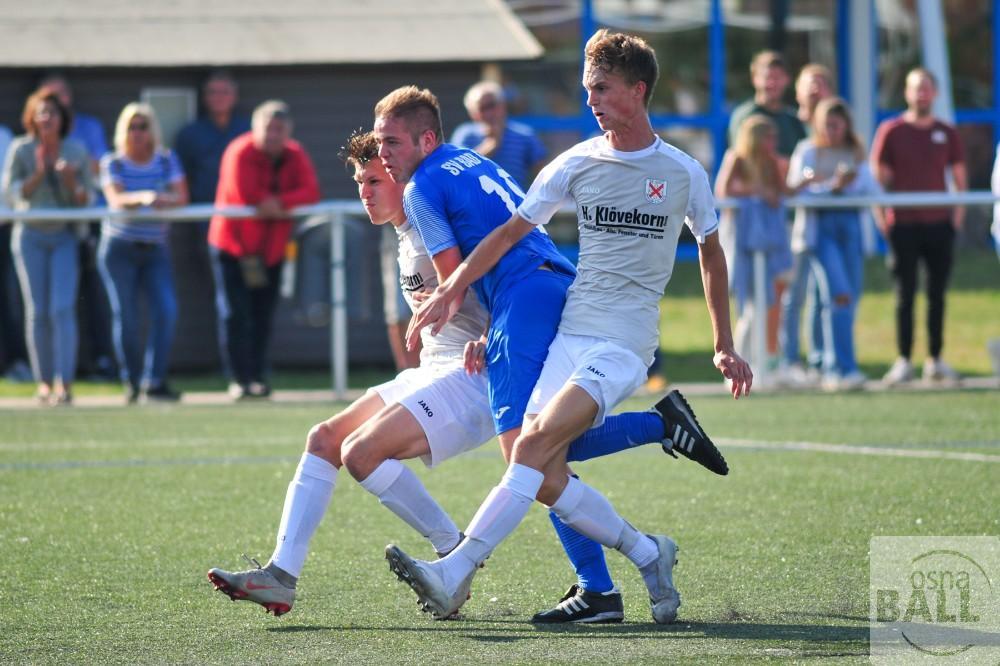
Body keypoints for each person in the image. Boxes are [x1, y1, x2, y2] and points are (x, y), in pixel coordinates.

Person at [206, 130, 683, 622]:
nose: (365, 191)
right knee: (325, 439)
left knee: (388, 454)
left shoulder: (432, 211)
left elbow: (495, 281)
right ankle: (282, 574)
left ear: (400, 176)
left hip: (472, 375)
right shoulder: (403, 229)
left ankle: (453, 552)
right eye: (358, 181)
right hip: (432, 369)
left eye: (374, 179)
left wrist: (492, 333)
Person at [385, 30, 750, 622]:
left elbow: (711, 250)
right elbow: (509, 233)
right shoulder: (577, 161)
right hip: (571, 333)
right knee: (544, 463)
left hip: (625, 343)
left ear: (637, 90)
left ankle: (455, 572)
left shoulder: (681, 171)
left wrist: (724, 344)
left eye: (602, 89)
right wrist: (454, 288)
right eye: (587, 89)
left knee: (529, 449)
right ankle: (647, 551)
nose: (591, 100)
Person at [209, 101, 320, 400]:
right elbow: (245, 194)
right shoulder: (240, 151)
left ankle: (257, 376)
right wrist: (281, 202)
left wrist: (279, 203)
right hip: (234, 247)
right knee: (234, 313)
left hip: (271, 250)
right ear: (255, 128)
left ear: (288, 132)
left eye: (279, 129)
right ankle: (238, 378)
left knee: (262, 315)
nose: (273, 135)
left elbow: (311, 191)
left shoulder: (295, 154)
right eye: (268, 128)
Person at [871, 68, 966, 385]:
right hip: (904, 225)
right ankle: (904, 360)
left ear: (935, 93)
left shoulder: (946, 132)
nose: (921, 94)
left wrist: (956, 219)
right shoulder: (892, 130)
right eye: (916, 88)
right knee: (905, 294)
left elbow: (959, 179)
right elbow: (878, 181)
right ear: (907, 93)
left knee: (937, 294)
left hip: (938, 224)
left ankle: (935, 359)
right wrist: (881, 218)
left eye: (926, 88)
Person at [1, 88, 93, 405]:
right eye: (41, 112)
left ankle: (64, 383)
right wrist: (39, 174)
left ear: (62, 118)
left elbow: (88, 199)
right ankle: (43, 383)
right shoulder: (21, 149)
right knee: (38, 312)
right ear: (32, 117)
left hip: (64, 235)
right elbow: (11, 194)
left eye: (52, 113)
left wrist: (71, 182)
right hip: (30, 236)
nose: (47, 118)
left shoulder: (76, 150)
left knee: (62, 309)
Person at [98, 103, 189, 403]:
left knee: (166, 311)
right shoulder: (113, 162)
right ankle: (132, 381)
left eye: (143, 126)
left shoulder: (166, 160)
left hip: (155, 249)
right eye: (131, 127)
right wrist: (145, 198)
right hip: (119, 248)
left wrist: (163, 200)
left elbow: (181, 197)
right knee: (126, 316)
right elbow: (116, 199)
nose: (137, 133)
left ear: (152, 131)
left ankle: (154, 380)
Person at [787, 98, 880, 391]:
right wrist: (831, 186)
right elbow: (796, 190)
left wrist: (846, 184)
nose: (832, 130)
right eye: (827, 124)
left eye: (837, 124)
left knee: (846, 297)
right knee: (838, 296)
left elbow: (871, 188)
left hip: (850, 229)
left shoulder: (855, 152)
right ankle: (840, 368)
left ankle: (832, 363)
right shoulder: (807, 151)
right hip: (821, 231)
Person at [40, 73, 117, 383]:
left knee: (94, 294)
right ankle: (51, 375)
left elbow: (95, 173)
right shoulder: (33, 140)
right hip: (48, 228)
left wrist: (76, 168)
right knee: (52, 305)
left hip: (87, 222)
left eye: (62, 96)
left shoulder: (87, 129)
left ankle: (100, 360)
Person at [715, 115, 794, 368]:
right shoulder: (736, 158)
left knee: (763, 302)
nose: (773, 143)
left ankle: (761, 361)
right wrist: (756, 191)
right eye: (768, 137)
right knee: (747, 304)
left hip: (765, 242)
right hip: (741, 240)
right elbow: (723, 190)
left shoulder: (771, 162)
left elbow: (782, 192)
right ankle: (739, 361)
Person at [777, 64, 835, 386]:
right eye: (810, 84)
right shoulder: (789, 125)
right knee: (793, 292)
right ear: (798, 90)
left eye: (822, 84)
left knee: (821, 294)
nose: (815, 90)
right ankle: (789, 360)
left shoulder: (836, 126)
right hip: (791, 225)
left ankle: (819, 359)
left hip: (826, 226)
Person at [451, 80, 547, 189]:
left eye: (491, 105)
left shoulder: (525, 135)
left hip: (515, 204)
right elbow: (456, 172)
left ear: (503, 105)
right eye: (482, 108)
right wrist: (490, 145)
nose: (489, 113)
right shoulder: (465, 135)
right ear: (473, 113)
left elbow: (542, 174)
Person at [175, 70, 251, 209]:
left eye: (224, 92)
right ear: (204, 97)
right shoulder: (189, 133)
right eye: (213, 92)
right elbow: (181, 177)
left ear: (234, 96)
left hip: (242, 211)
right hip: (203, 212)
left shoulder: (248, 131)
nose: (219, 97)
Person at [0, 122, 33, 383]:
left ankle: (16, 362)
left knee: (8, 299)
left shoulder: (4, 136)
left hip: (4, 228)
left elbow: (8, 190)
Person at [728, 51, 806, 159]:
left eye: (777, 77)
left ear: (787, 80)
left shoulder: (794, 120)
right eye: (767, 77)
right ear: (754, 79)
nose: (772, 83)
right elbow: (740, 158)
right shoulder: (745, 116)